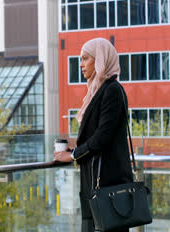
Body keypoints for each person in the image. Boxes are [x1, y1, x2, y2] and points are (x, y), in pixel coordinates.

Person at [53, 38, 133, 232]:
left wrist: (73, 155)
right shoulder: (98, 91)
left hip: (108, 185)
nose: (80, 64)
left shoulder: (112, 90)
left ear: (100, 61)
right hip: (96, 184)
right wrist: (76, 151)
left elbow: (102, 137)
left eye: (85, 58)